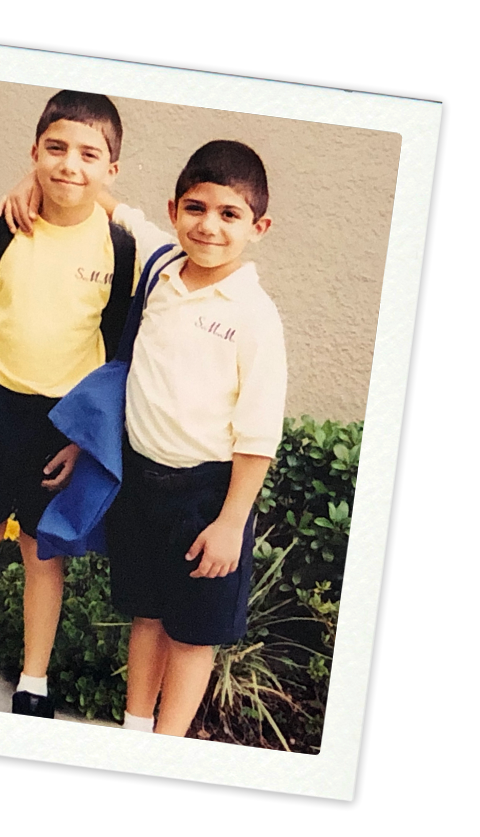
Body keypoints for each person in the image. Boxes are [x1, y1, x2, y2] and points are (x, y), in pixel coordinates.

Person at [0, 91, 169, 714]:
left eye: (89, 154)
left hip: (61, 423)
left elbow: (121, 352)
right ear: (33, 154)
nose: (69, 166)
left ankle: (33, 683)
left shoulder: (123, 249)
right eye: (55, 149)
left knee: (40, 551)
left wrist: (88, 440)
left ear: (113, 168)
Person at [99, 141, 285, 736]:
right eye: (195, 208)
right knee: (148, 615)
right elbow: (119, 210)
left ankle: (166, 745)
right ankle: (134, 729)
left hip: (207, 498)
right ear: (175, 208)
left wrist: (231, 523)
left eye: (229, 214)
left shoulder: (255, 316)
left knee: (191, 633)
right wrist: (34, 189)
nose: (208, 226)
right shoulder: (160, 269)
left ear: (258, 227)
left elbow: (258, 436)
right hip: (140, 480)